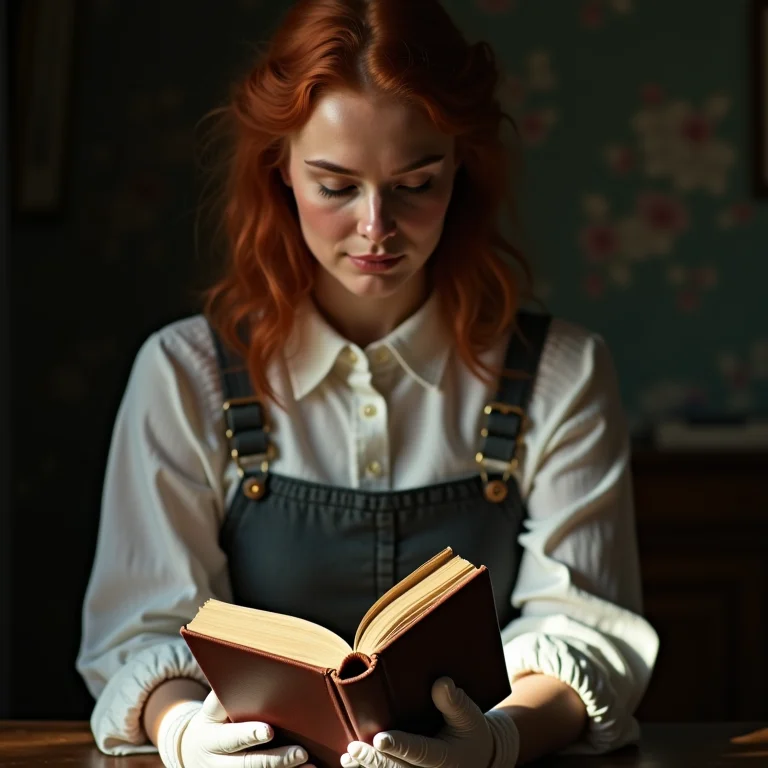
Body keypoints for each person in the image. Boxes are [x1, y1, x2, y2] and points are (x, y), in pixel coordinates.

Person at [76, 0, 659, 766]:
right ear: (279, 169)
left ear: (462, 169)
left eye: (415, 184)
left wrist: (498, 741)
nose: (377, 228)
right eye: (336, 185)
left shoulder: (561, 372)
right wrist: (187, 735)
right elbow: (141, 629)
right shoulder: (184, 374)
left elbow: (585, 626)